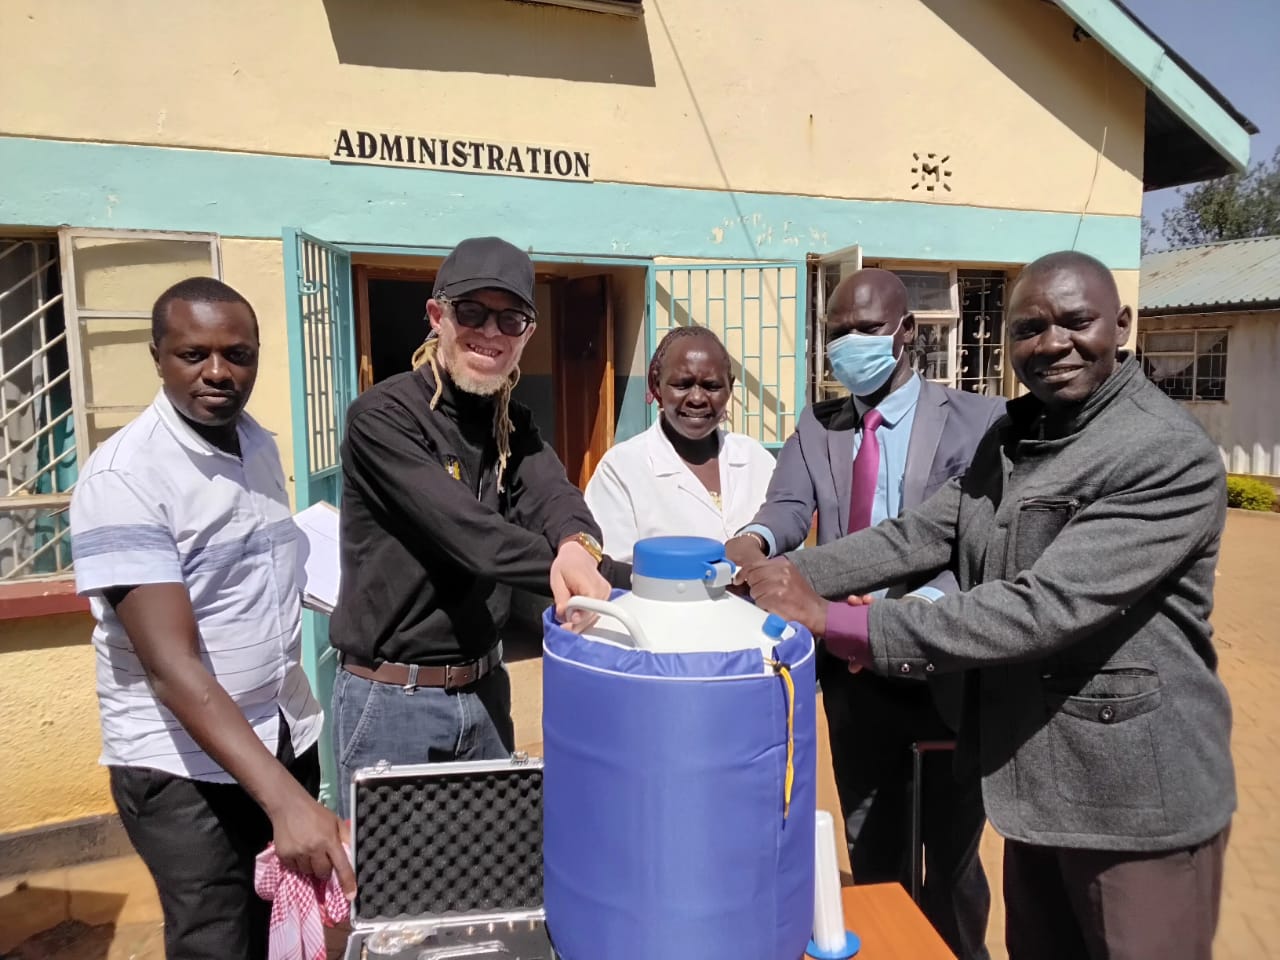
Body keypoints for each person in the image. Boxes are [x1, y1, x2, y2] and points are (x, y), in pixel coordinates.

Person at [741, 251, 1235, 960]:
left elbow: (1040, 608)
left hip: (1133, 804)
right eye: (1029, 328)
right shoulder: (1015, 437)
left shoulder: (1161, 452)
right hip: (1037, 780)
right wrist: (779, 575)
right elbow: (921, 534)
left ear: (1122, 324)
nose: (1053, 343)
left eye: (1076, 321)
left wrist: (837, 620)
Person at [70, 278, 353, 960]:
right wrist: (287, 803)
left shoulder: (257, 445)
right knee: (219, 942)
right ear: (158, 357)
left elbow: (258, 574)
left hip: (279, 730)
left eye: (238, 354)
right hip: (184, 769)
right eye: (194, 354)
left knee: (283, 931)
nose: (219, 372)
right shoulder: (125, 478)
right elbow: (171, 668)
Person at [725, 268, 1002, 960]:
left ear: (906, 331)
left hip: (943, 669)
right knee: (872, 845)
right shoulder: (819, 424)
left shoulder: (977, 420)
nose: (850, 342)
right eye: (838, 331)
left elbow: (971, 546)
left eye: (867, 329)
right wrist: (754, 543)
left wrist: (910, 615)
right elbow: (789, 508)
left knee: (953, 860)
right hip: (851, 675)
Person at [330, 236, 628, 815]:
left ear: (527, 334)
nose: (490, 332)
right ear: (437, 315)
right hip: (394, 701)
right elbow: (471, 537)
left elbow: (555, 495)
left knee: (494, 865)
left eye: (510, 319)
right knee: (401, 874)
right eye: (472, 312)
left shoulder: (509, 422)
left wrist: (578, 546)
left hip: (486, 691)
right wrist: (623, 581)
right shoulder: (383, 418)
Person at [584, 326, 776, 561]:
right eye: (682, 385)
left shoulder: (756, 460)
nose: (697, 398)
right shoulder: (621, 469)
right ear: (657, 385)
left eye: (712, 386)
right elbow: (614, 568)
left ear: (730, 387)